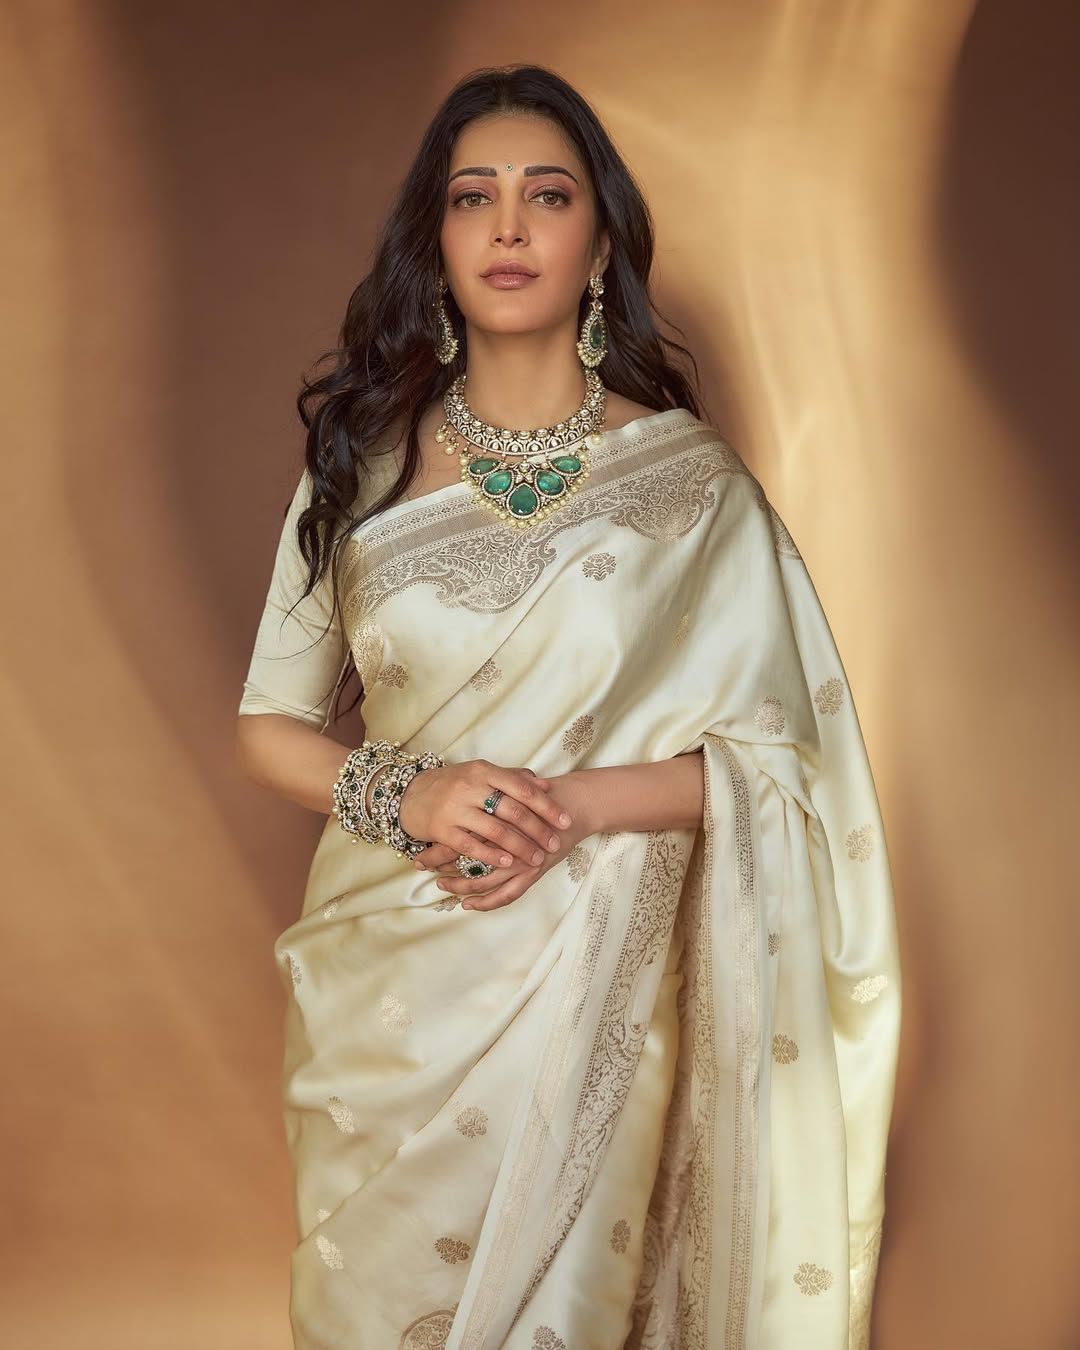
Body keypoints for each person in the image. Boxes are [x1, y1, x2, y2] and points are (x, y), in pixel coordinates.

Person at [236, 62, 901, 1350]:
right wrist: (410, 790)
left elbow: (790, 769)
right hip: (393, 992)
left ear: (599, 247)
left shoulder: (690, 488)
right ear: (435, 243)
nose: (507, 226)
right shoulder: (358, 469)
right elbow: (267, 726)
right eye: (471, 197)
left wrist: (573, 807)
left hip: (598, 983)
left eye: (547, 195)